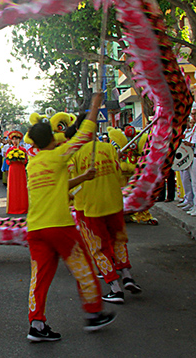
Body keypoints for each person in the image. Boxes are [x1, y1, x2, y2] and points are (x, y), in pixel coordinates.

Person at [24, 93, 115, 342]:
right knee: (83, 266)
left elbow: (56, 186)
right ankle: (94, 312)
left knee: (39, 277)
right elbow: (84, 135)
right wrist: (95, 105)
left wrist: (82, 177)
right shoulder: (59, 155)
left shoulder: (33, 163)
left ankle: (36, 322)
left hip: (36, 229)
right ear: (53, 138)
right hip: (59, 226)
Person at [68, 118, 142, 304]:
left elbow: (70, 183)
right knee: (118, 240)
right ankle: (127, 275)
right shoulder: (109, 148)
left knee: (98, 248)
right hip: (114, 203)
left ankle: (115, 288)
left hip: (89, 207)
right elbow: (118, 174)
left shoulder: (74, 154)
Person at [5, 131, 29, 215]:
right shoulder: (9, 150)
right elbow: (7, 161)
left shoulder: (23, 150)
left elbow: (26, 160)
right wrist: (12, 160)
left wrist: (21, 159)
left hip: (21, 170)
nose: (15, 141)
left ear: (19, 140)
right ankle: (13, 208)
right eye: (13, 139)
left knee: (22, 187)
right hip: (12, 170)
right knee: (13, 187)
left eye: (16, 139)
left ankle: (23, 207)